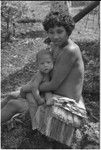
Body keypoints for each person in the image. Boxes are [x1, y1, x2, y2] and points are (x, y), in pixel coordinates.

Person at [21, 11, 87, 148]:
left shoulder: (71, 50)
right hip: (56, 91)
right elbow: (48, 73)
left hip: (65, 99)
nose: (55, 36)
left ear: (68, 31)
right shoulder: (57, 45)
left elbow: (53, 84)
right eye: (51, 32)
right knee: (11, 96)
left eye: (59, 31)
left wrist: (28, 87)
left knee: (15, 103)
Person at [1, 48, 54, 123]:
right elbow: (34, 87)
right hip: (31, 93)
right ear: (38, 65)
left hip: (32, 92)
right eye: (42, 64)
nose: (46, 65)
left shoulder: (49, 73)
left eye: (48, 62)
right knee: (15, 98)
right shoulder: (40, 75)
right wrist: (39, 99)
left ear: (53, 62)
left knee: (12, 101)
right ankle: (35, 122)